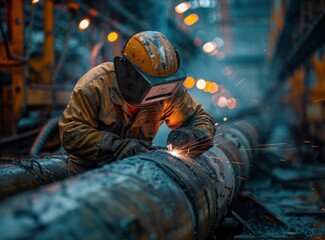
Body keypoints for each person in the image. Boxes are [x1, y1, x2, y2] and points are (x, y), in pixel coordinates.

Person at [59, 31, 216, 175]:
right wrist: (116, 146)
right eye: (152, 86)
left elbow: (198, 117)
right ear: (127, 72)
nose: (158, 95)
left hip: (135, 173)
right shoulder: (95, 85)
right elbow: (71, 133)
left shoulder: (167, 87)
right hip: (88, 175)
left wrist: (195, 135)